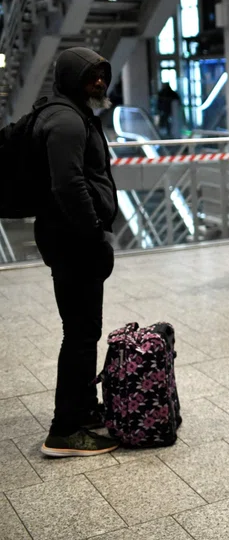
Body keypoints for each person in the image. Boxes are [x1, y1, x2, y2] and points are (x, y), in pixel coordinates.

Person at [33, 47, 120, 457]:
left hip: (69, 239)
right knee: (81, 335)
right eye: (90, 77)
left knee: (84, 331)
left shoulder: (71, 112)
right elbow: (68, 186)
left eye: (102, 75)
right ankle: (65, 430)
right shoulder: (66, 121)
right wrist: (95, 237)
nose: (99, 82)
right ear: (71, 80)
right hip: (74, 242)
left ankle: (83, 409)